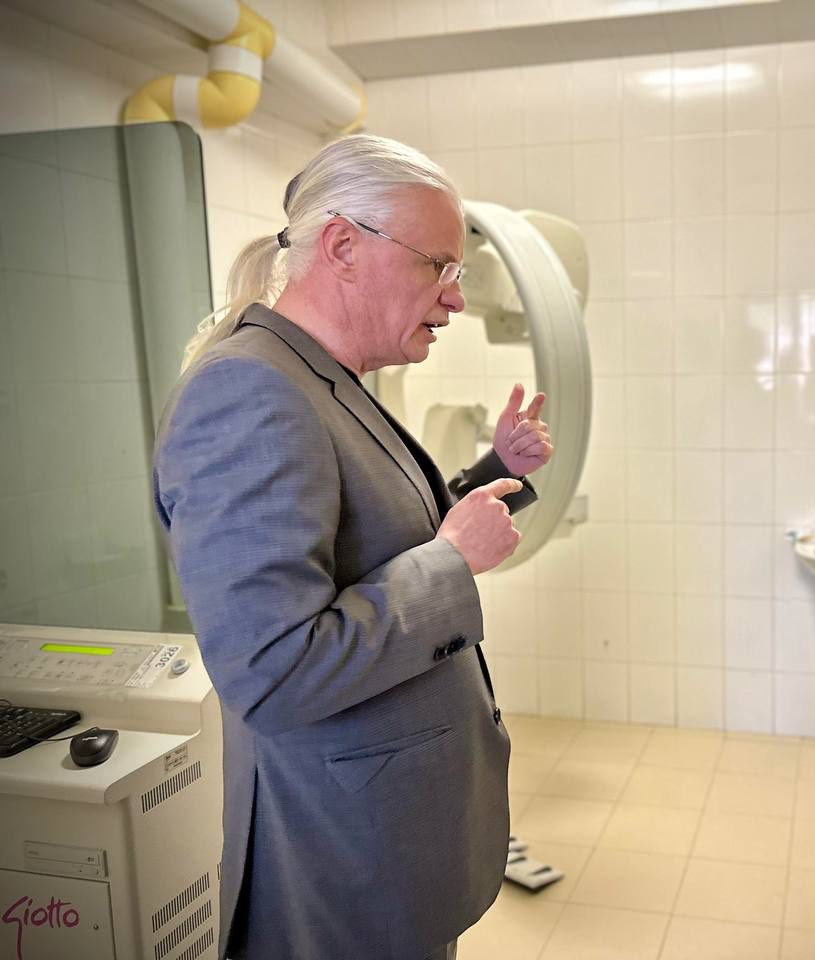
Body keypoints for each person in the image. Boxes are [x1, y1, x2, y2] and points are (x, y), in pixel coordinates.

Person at [152, 134, 554, 960]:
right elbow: (274, 671)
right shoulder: (249, 390)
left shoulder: (320, 377)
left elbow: (380, 536)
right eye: (438, 267)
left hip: (385, 830)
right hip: (340, 852)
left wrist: (497, 471)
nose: (454, 300)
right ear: (342, 246)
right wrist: (452, 562)